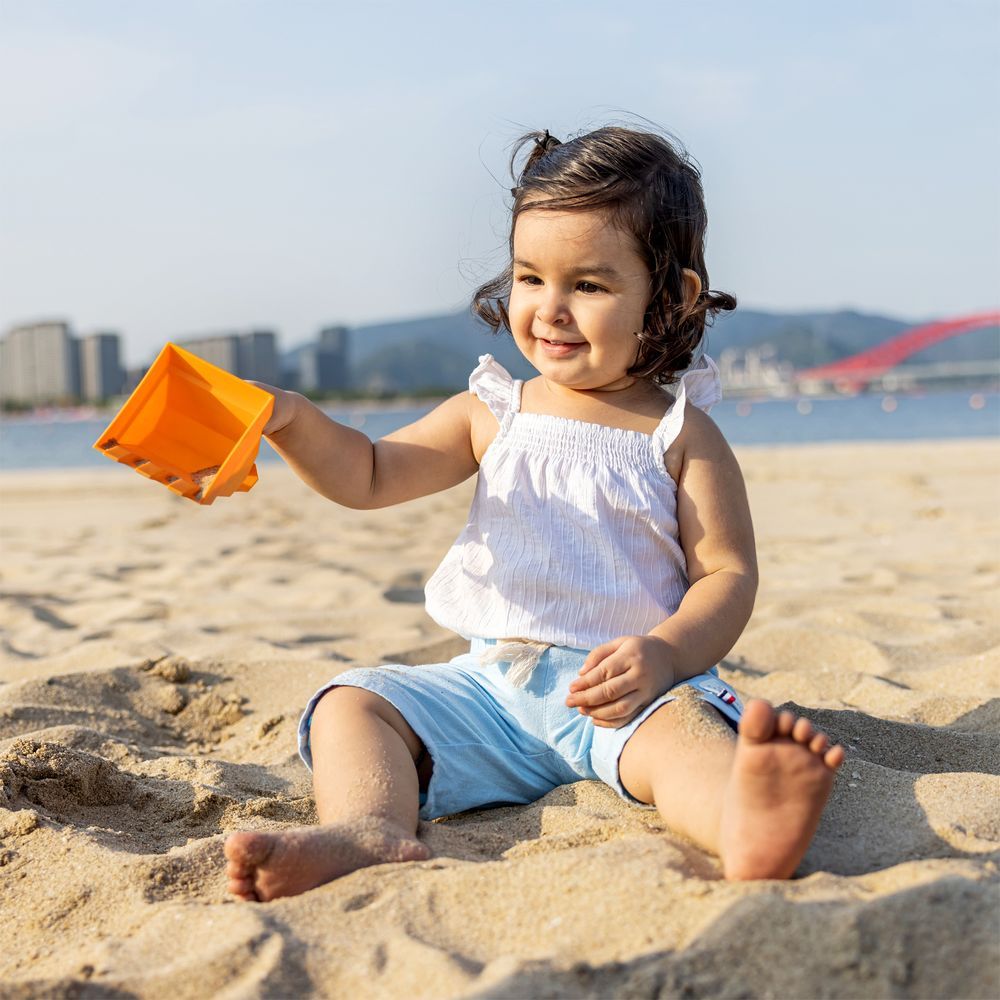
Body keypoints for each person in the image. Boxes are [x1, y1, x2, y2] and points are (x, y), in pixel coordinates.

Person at [224, 125, 844, 902]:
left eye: (588, 285)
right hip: (493, 690)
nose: (549, 309)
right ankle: (368, 828)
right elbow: (369, 473)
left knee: (687, 746)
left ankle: (749, 825)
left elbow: (727, 573)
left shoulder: (681, 434)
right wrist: (291, 420)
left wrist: (665, 653)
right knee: (355, 703)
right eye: (529, 277)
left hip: (631, 693)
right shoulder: (492, 411)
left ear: (672, 297)